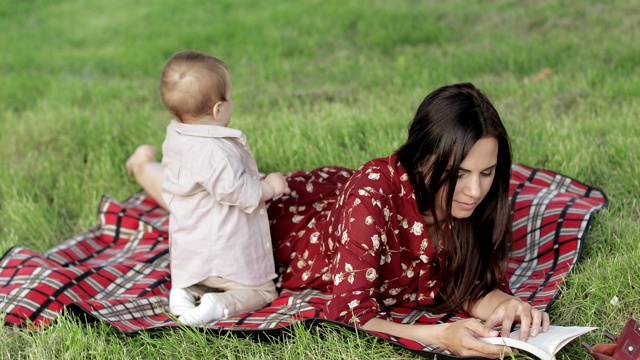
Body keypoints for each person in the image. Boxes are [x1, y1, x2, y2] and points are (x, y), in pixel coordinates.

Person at [126, 82, 549, 358]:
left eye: (487, 173)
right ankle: (145, 165)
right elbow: (347, 312)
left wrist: (505, 305)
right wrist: (439, 337)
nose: (476, 191)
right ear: (423, 159)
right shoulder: (375, 198)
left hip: (341, 202)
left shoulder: (481, 203)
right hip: (293, 225)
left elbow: (468, 285)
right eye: (459, 175)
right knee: (207, 210)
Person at [127, 50, 290, 326]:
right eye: (229, 97)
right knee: (263, 291)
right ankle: (219, 303)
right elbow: (243, 193)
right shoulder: (218, 154)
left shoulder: (176, 132)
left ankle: (183, 290)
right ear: (218, 109)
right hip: (227, 257)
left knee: (199, 275)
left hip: (189, 258)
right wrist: (271, 186)